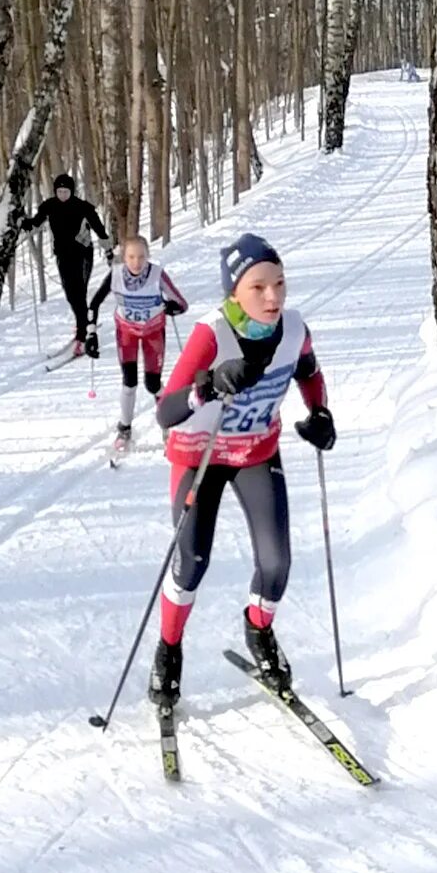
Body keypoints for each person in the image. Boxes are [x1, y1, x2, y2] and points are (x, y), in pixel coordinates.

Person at [147, 233, 336, 704]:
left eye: (280, 283)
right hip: (200, 455)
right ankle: (169, 649)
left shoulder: (293, 329)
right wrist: (206, 386)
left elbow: (309, 373)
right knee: (191, 562)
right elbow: (166, 412)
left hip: (255, 451)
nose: (273, 296)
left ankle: (258, 631)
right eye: (258, 287)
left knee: (276, 563)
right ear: (234, 292)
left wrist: (321, 415)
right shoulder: (212, 334)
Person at [88, 236, 189, 459]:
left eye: (141, 256)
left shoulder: (157, 275)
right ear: (124, 257)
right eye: (132, 257)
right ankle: (124, 430)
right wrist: (90, 334)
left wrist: (172, 307)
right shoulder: (115, 275)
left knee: (153, 384)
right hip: (127, 333)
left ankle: (168, 424)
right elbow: (94, 304)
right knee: (129, 381)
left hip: (153, 332)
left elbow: (182, 303)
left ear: (148, 256)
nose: (137, 262)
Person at [22, 173, 111, 353]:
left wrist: (108, 250)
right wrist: (25, 223)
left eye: (66, 191)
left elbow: (99, 228)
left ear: (72, 191)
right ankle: (84, 323)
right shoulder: (49, 206)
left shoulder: (83, 207)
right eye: (59, 191)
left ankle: (82, 334)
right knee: (70, 294)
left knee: (79, 293)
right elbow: (36, 223)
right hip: (63, 255)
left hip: (83, 254)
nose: (62, 195)